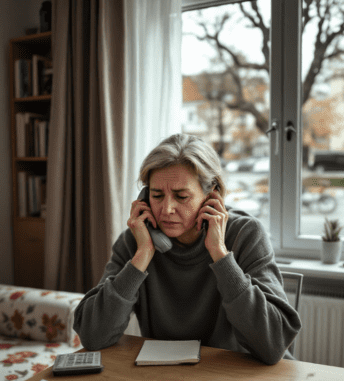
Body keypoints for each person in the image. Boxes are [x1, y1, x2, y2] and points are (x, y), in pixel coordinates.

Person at [73, 133, 301, 365]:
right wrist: (142, 257)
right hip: (167, 376)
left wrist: (220, 254)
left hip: (234, 376)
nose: (167, 209)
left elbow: (274, 343)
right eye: (157, 195)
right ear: (144, 197)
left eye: (181, 196)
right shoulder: (136, 240)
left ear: (212, 196)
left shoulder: (246, 235)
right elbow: (93, 336)